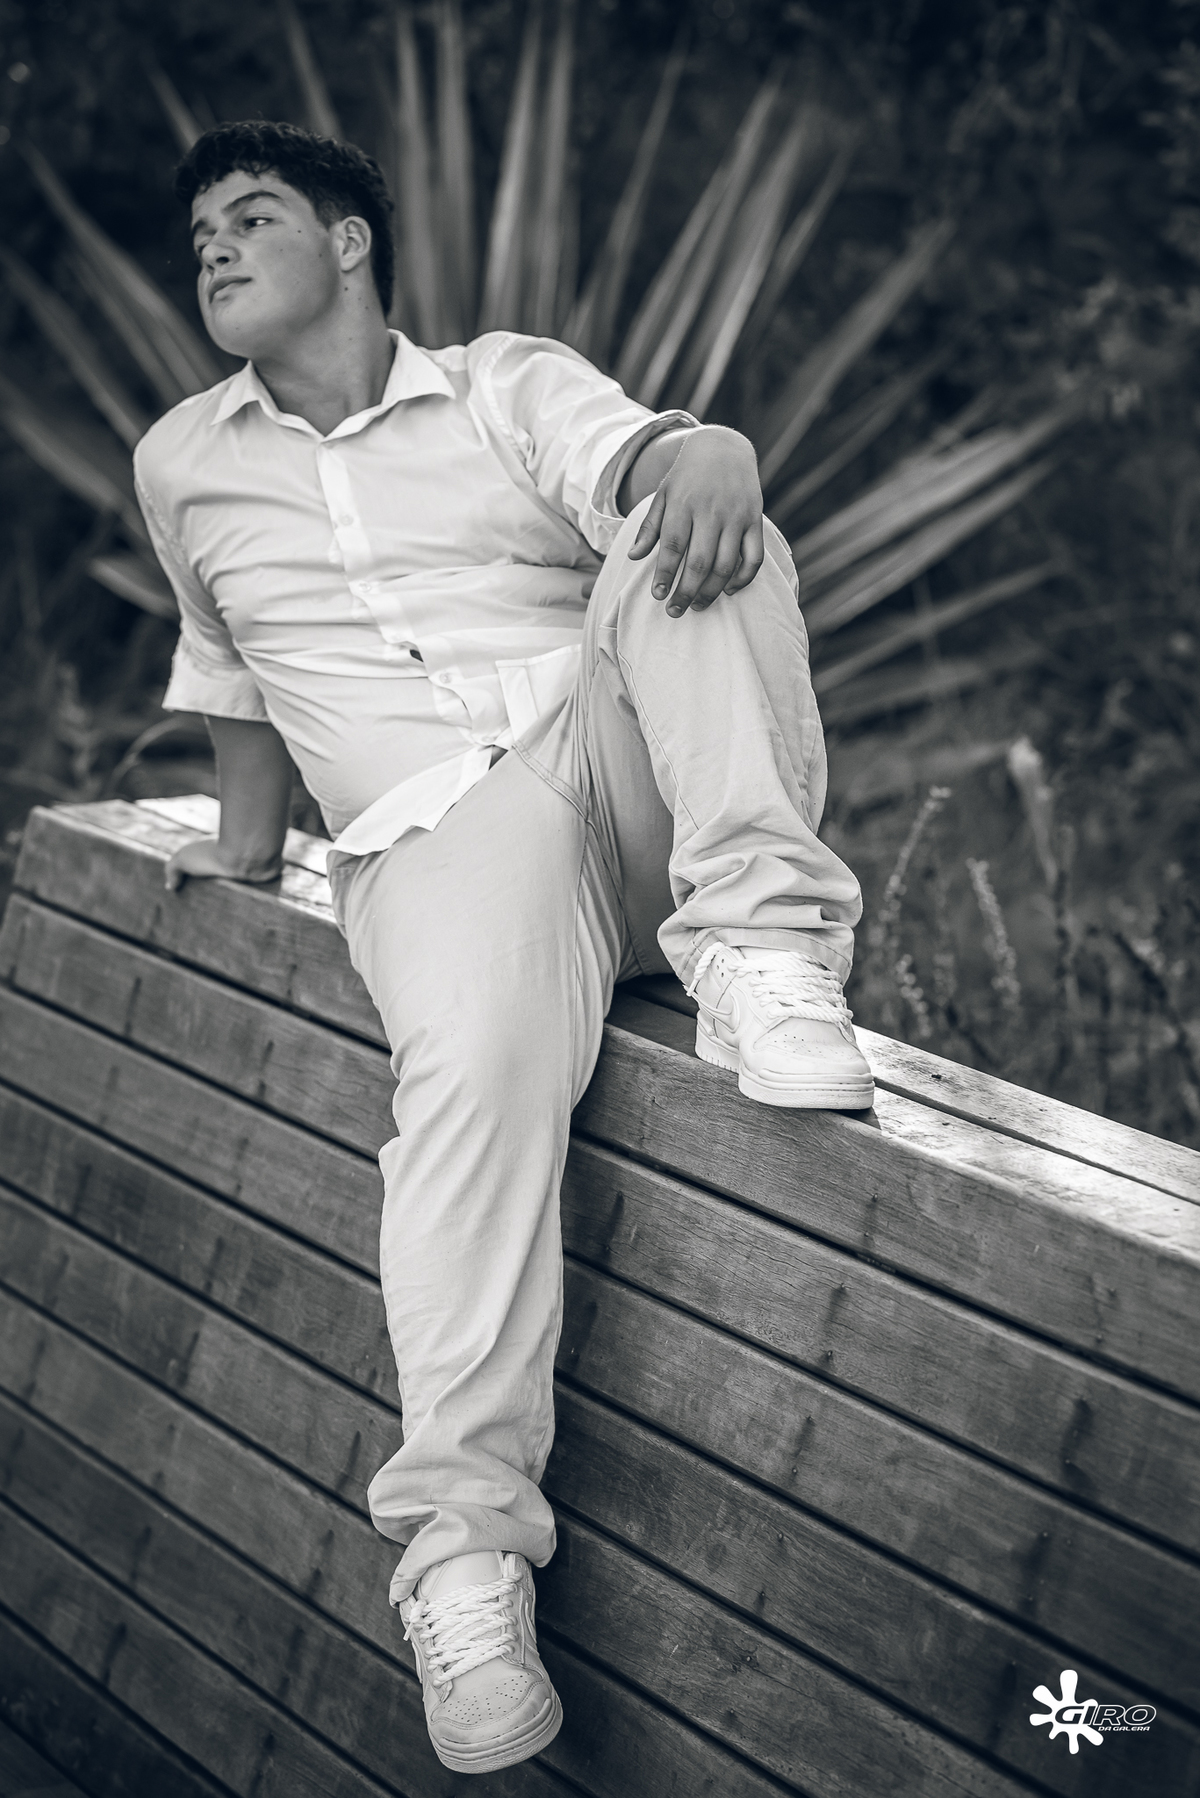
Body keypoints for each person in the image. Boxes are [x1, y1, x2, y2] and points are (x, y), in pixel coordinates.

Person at [136, 120, 872, 1777]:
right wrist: (241, 855)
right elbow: (232, 669)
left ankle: (762, 945)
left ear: (350, 242)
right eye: (199, 237)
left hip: (624, 783)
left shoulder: (499, 384)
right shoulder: (182, 461)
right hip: (438, 842)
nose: (215, 249)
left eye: (252, 217)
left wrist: (709, 446)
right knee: (466, 1088)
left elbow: (634, 463)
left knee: (703, 523)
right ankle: (463, 1554)